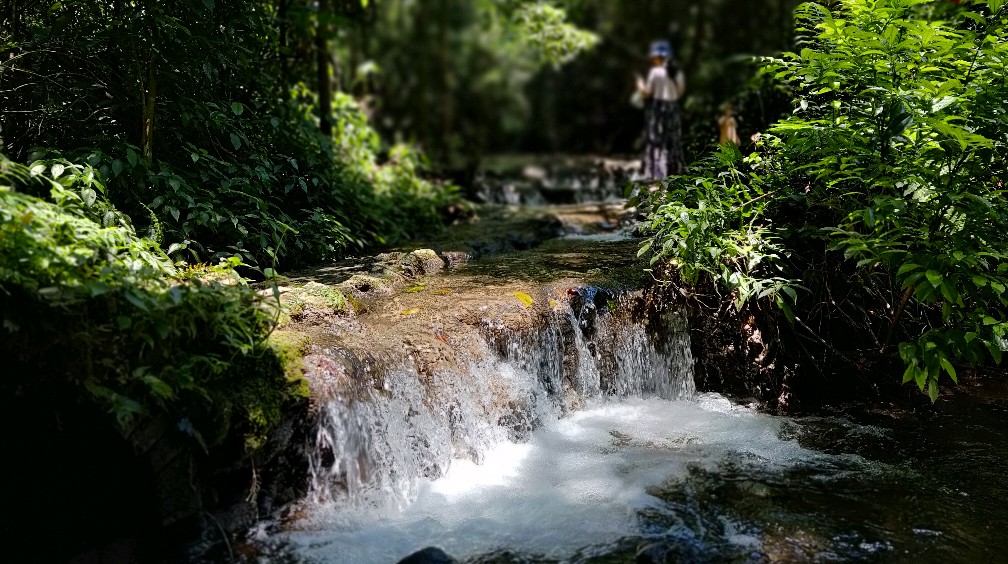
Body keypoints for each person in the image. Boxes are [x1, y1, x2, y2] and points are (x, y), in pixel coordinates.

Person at [636, 40, 686, 179]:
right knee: (673, 140)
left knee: (657, 141)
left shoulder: (655, 72)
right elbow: (680, 93)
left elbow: (647, 92)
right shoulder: (678, 72)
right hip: (673, 108)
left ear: (657, 57)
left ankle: (658, 174)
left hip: (658, 108)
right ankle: (675, 172)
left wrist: (639, 84)